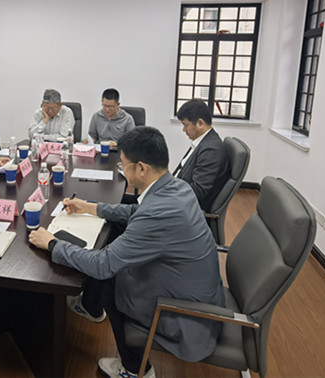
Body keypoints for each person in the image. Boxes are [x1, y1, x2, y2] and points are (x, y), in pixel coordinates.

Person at [29, 127, 224, 378]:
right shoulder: (177, 187)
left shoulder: (159, 212)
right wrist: (89, 207)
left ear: (142, 168)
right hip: (191, 286)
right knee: (113, 241)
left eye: (124, 166)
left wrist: (53, 244)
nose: (123, 171)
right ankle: (90, 308)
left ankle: (134, 369)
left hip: (185, 315)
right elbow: (135, 213)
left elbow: (103, 265)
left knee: (110, 278)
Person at [173, 99, 230, 211]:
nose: (184, 130)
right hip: (177, 197)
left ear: (200, 123)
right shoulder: (203, 142)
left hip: (185, 209)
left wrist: (167, 193)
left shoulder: (211, 150)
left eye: (185, 125)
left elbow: (197, 191)